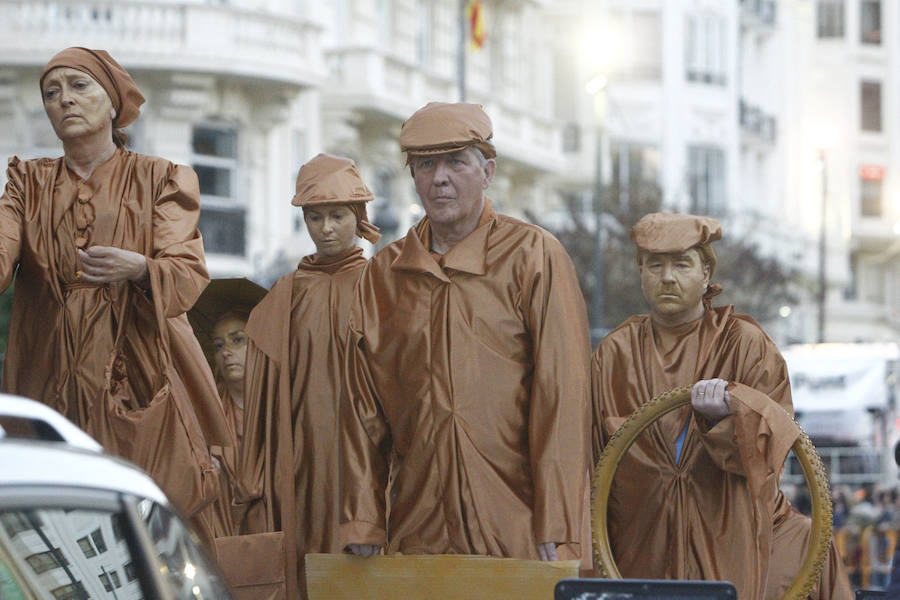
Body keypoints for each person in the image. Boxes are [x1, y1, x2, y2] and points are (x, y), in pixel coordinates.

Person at [341, 102, 591, 565]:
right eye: (425, 164)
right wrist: (363, 516)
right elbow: (362, 408)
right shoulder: (383, 273)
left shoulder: (534, 256)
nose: (440, 178)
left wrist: (559, 522)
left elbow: (563, 394)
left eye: (456, 161)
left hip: (517, 521)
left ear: (488, 171)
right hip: (416, 522)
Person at [0, 48, 230, 533]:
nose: (64, 100)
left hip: (138, 374)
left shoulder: (161, 177)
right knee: (55, 530)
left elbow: (187, 272)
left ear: (113, 102)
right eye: (51, 92)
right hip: (48, 378)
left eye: (79, 86)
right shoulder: (26, 182)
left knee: (150, 523)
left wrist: (142, 268)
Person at [591, 212, 850, 599]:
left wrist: (723, 420)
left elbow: (772, 448)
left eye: (682, 264)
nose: (667, 277)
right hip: (640, 548)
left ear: (706, 273)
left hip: (729, 538)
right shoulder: (614, 353)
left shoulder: (747, 345)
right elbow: (589, 464)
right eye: (654, 265)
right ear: (640, 273)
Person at [237, 153, 380, 598]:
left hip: (367, 459)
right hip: (298, 457)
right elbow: (260, 397)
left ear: (358, 217)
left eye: (338, 215)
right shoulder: (286, 292)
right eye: (315, 216)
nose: (327, 227)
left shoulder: (383, 285)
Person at [187, 278, 267, 539]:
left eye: (238, 340)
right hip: (220, 530)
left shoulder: (280, 408)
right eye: (219, 345)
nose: (226, 352)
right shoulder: (205, 410)